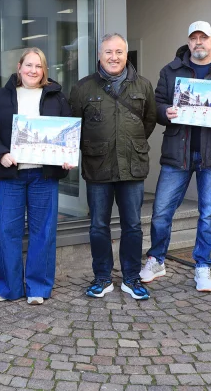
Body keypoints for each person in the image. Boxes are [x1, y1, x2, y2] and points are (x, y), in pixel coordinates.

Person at [140, 21, 211, 292]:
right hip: (178, 152)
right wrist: (166, 112)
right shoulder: (171, 70)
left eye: (204, 38)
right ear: (188, 43)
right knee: (161, 212)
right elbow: (158, 104)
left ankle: (202, 265)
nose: (198, 42)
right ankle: (156, 259)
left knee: (209, 214)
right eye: (194, 38)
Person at [0, 47, 74, 305]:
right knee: (7, 231)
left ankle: (38, 288)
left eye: (39, 66)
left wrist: (67, 156)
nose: (33, 70)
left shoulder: (57, 98)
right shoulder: (1, 97)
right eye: (29, 65)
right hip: (12, 176)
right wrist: (0, 154)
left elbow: (68, 132)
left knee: (43, 231)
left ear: (44, 70)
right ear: (19, 67)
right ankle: (9, 287)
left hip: (44, 176)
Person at [70, 33, 157, 300]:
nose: (113, 57)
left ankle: (131, 278)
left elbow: (149, 122)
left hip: (132, 167)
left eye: (119, 52)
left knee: (132, 225)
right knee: (98, 225)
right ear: (99, 55)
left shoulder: (143, 86)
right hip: (98, 167)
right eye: (108, 52)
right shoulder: (83, 88)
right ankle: (102, 277)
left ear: (126, 54)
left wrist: (130, 144)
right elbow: (74, 127)